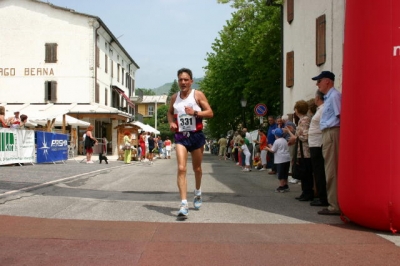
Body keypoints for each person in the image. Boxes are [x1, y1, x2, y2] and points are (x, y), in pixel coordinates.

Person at [167, 68, 213, 218]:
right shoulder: (175, 97)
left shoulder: (197, 95)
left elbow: (210, 112)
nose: (183, 82)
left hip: (196, 135)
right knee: (181, 168)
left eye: (186, 79)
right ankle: (184, 203)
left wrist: (195, 113)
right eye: (180, 79)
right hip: (181, 136)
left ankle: (198, 192)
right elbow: (169, 112)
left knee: (197, 168)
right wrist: (171, 123)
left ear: (191, 81)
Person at [312, 71, 342, 216]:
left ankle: (334, 205)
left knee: (331, 170)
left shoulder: (334, 96)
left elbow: (341, 115)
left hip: (332, 132)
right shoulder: (329, 97)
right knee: (329, 169)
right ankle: (333, 203)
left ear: (327, 81)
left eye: (319, 81)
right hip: (328, 133)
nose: (317, 84)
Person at [285, 100, 314, 201]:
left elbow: (305, 136)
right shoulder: (303, 120)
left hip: (305, 151)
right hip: (301, 150)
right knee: (304, 172)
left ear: (297, 109)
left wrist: (295, 138)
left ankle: (308, 193)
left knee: (306, 172)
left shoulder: (304, 120)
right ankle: (305, 192)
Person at [308, 90, 329, 207]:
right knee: (317, 171)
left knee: (320, 170)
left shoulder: (323, 109)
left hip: (318, 143)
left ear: (318, 98)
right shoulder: (320, 109)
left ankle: (323, 197)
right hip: (314, 143)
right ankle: (321, 195)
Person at [265, 128, 291, 192]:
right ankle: (286, 185)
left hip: (280, 159)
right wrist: (271, 147)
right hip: (286, 158)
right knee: (285, 172)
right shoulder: (284, 140)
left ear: (276, 135)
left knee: (281, 173)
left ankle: (281, 186)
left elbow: (273, 150)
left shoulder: (277, 141)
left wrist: (267, 148)